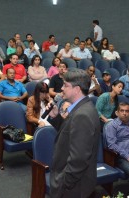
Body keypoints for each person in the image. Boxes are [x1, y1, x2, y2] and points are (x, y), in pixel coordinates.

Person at [48, 69, 101, 198]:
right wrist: (56, 117)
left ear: (76, 89)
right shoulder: (82, 107)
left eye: (65, 85)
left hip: (74, 187)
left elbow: (79, 159)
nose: (61, 88)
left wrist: (64, 183)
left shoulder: (82, 115)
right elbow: (69, 131)